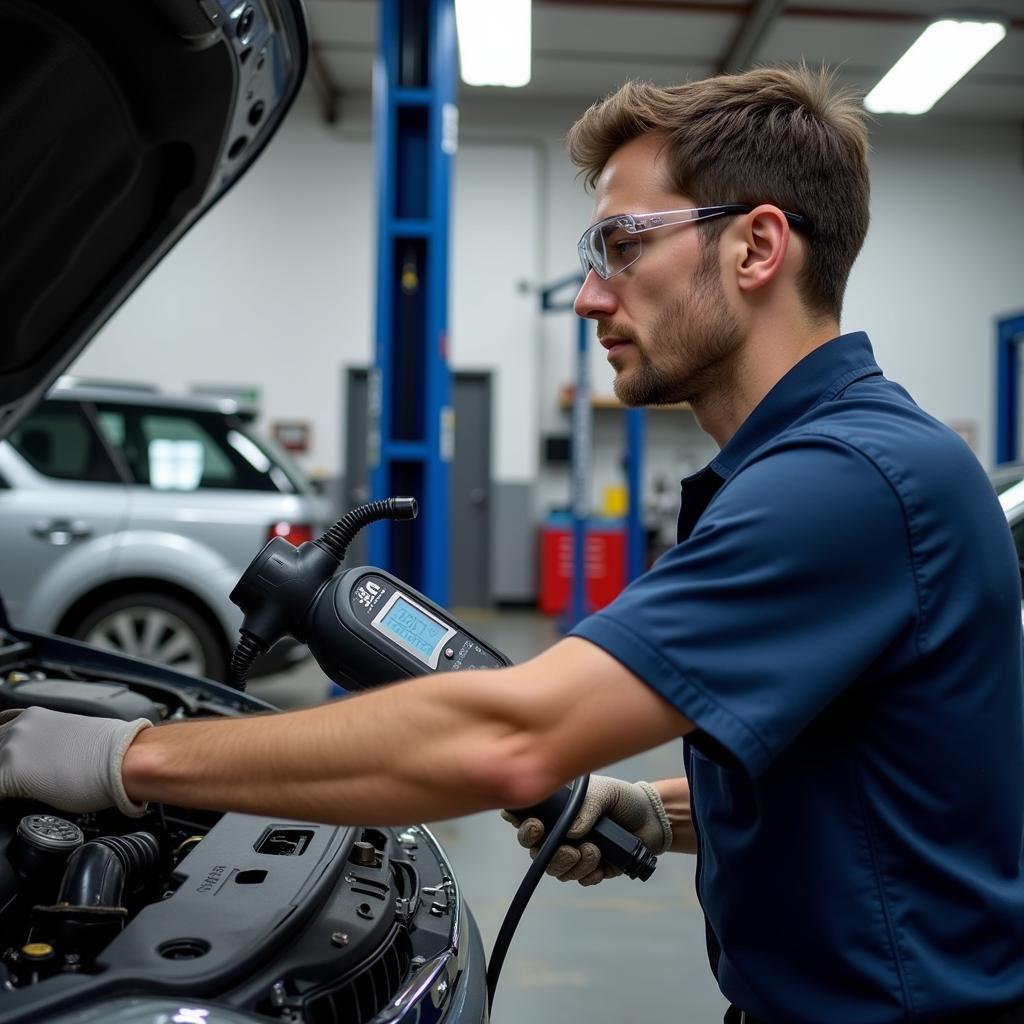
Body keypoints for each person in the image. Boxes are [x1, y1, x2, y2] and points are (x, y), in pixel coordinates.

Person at [1, 64, 1022, 1023]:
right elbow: (859, 785)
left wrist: (120, 756)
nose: (587, 296)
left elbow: (507, 733)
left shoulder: (846, 485)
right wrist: (647, 810)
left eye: (622, 247)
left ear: (757, 248)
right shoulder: (827, 466)